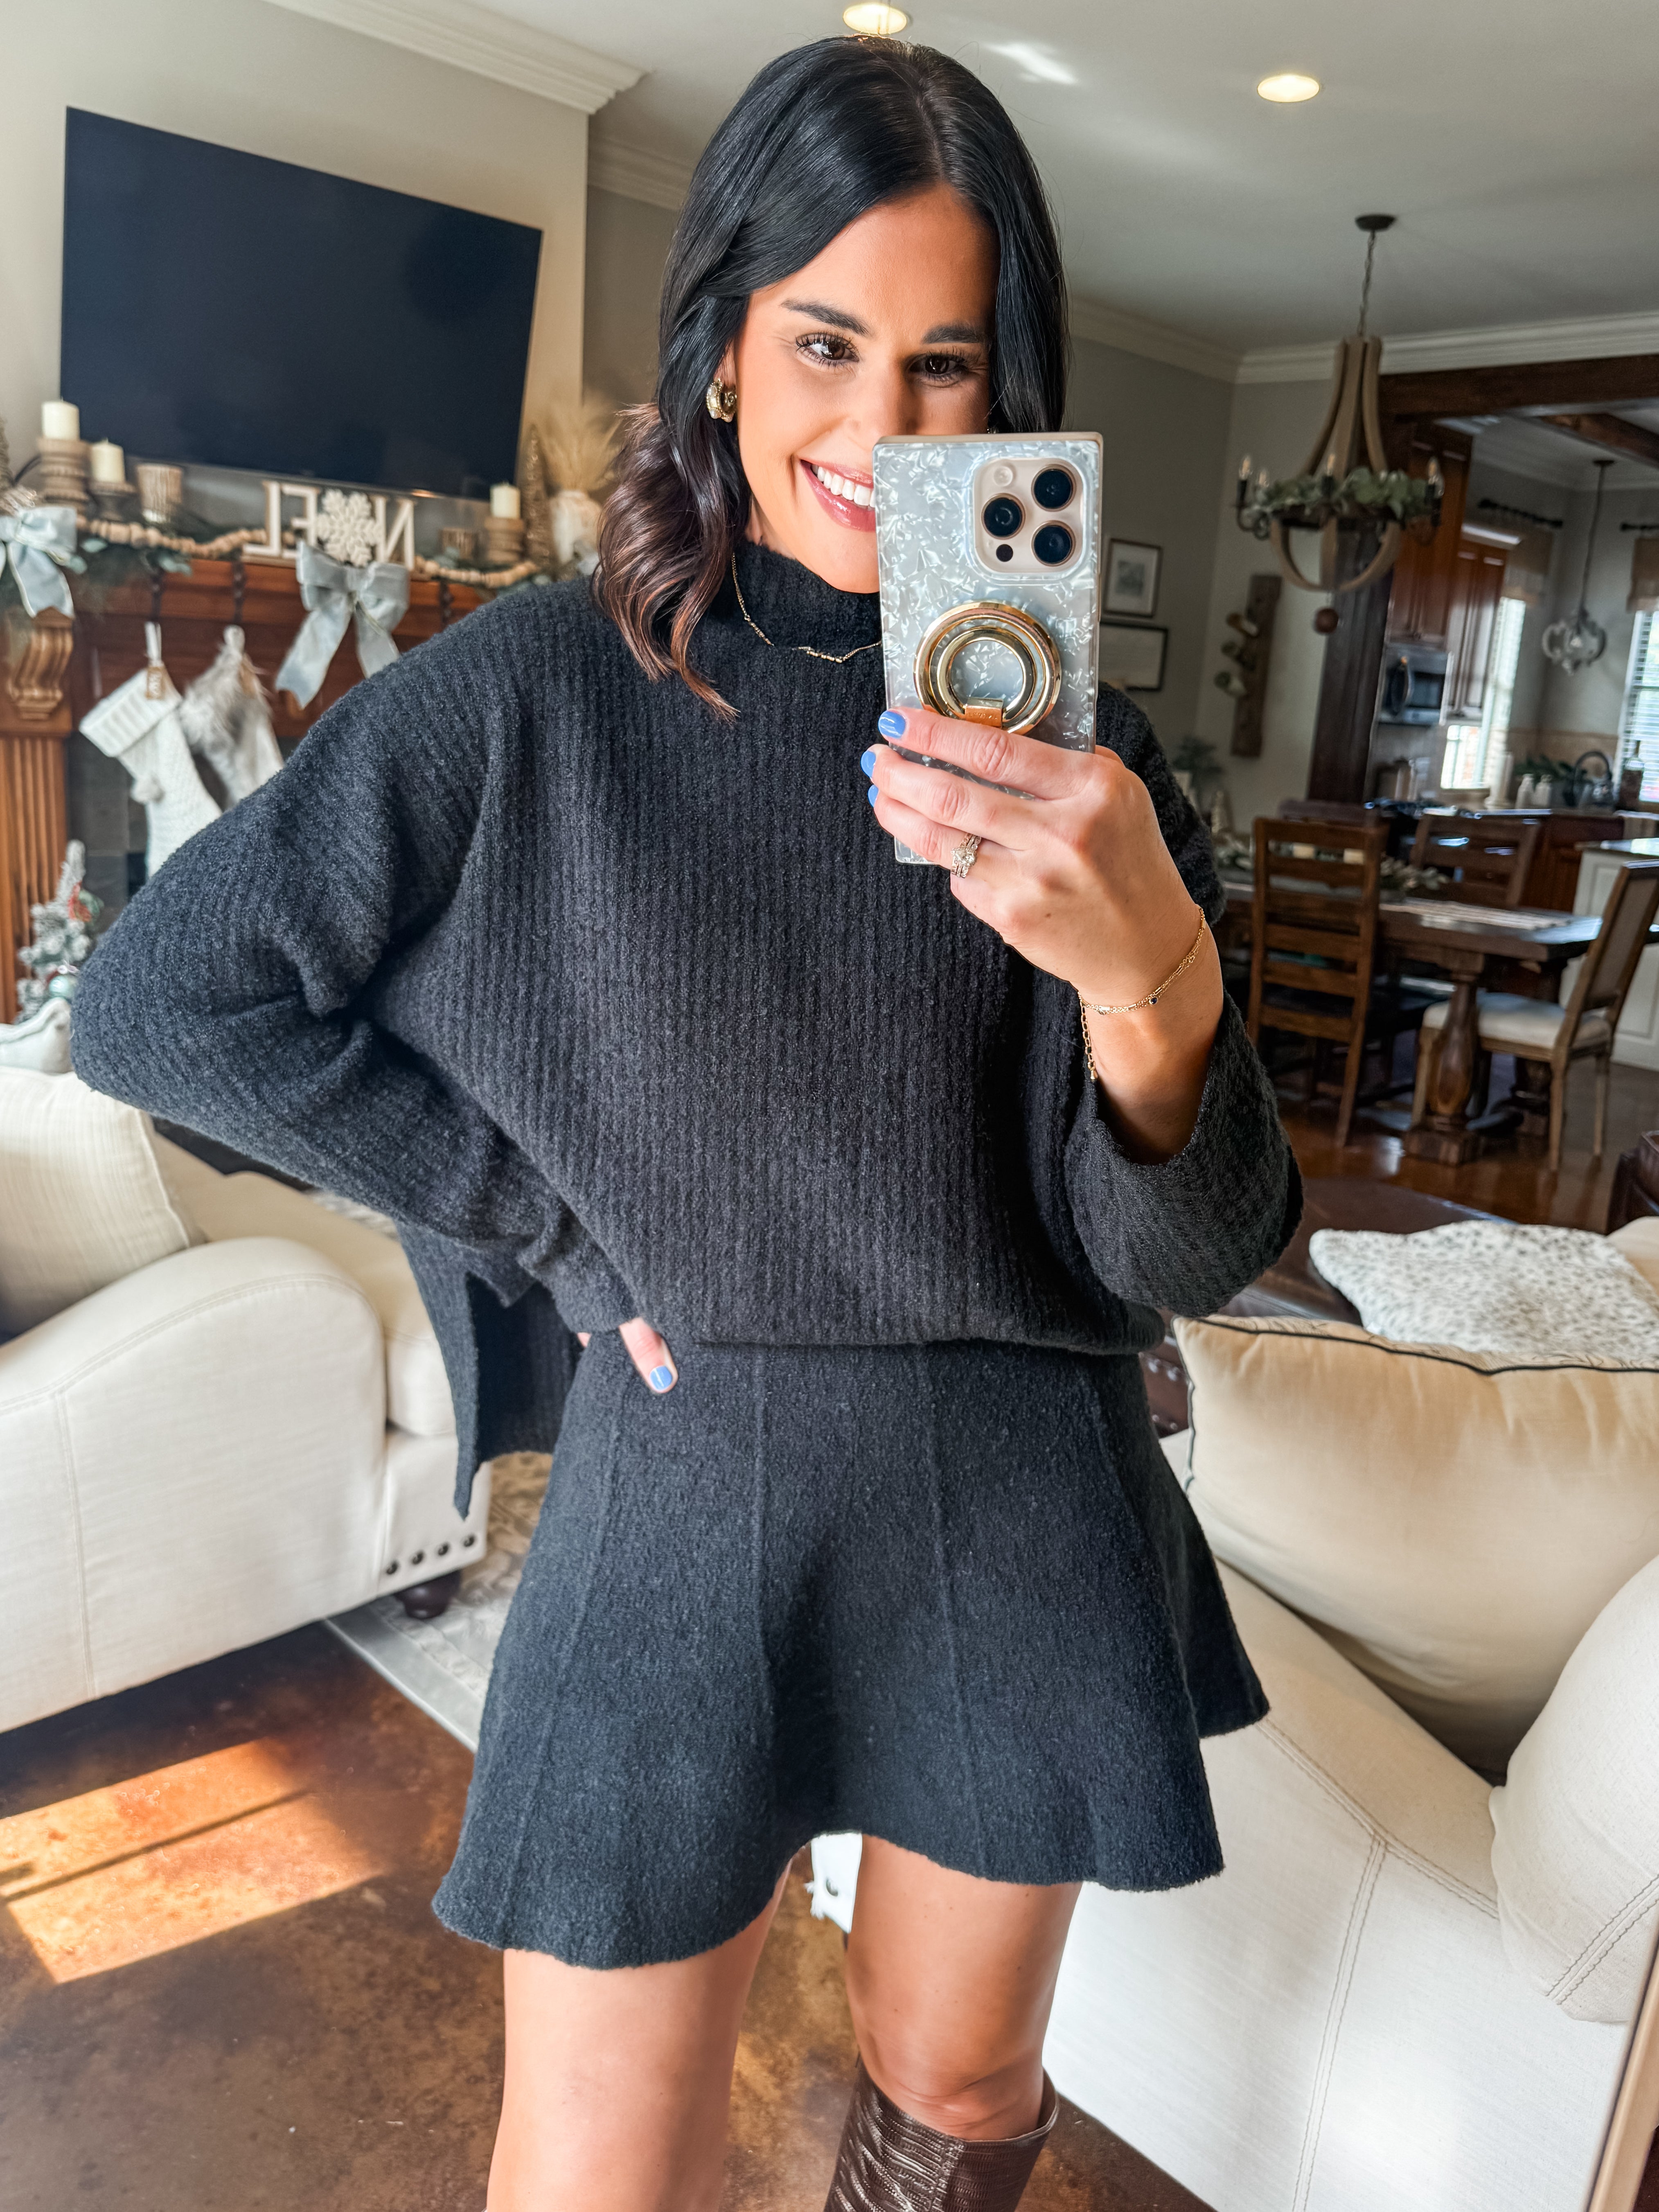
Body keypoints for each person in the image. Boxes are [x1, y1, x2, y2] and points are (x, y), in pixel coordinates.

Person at [70, 35, 1299, 2212]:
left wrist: (1149, 967)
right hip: (685, 1464)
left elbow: (1181, 1255)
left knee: (960, 2086)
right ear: (722, 348)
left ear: (1006, 390)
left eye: (945, 362)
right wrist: (541, 1223)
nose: (884, 422)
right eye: (825, 342)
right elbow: (165, 999)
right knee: (596, 2159)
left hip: (1025, 1471)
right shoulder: (539, 688)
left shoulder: (1078, 757)